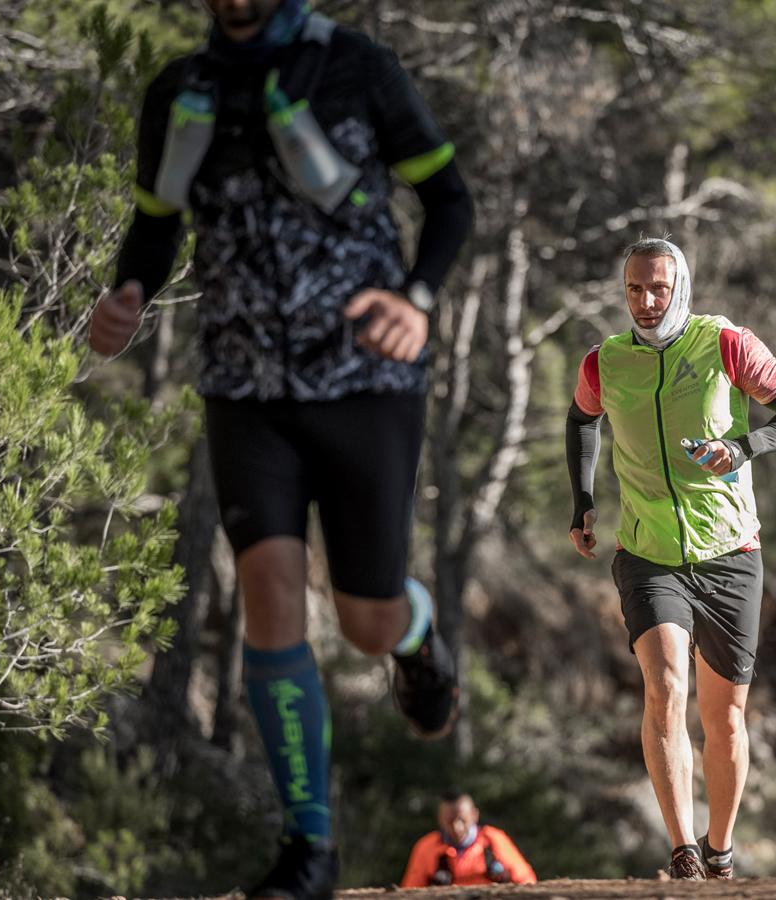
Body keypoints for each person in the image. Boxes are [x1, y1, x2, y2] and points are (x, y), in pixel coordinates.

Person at [87, 1, 473, 897]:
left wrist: (416, 297)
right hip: (243, 383)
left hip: (365, 382)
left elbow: (449, 196)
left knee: (365, 621)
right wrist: (129, 292)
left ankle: (414, 634)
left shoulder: (360, 71)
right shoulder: (181, 90)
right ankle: (310, 848)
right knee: (267, 592)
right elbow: (155, 218)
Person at [564, 238, 776, 881]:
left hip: (730, 554)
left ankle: (720, 849)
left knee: (725, 718)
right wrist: (583, 501)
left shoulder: (725, 344)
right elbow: (580, 419)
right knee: (665, 688)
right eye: (633, 289)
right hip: (648, 554)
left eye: (657, 288)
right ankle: (682, 851)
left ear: (680, 286)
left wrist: (745, 446)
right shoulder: (606, 362)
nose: (646, 302)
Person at [399, 790, 537, 887]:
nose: (456, 827)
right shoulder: (426, 847)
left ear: (474, 815)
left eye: (462, 820)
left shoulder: (493, 840)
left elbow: (525, 880)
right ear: (440, 819)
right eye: (449, 821)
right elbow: (411, 890)